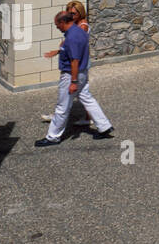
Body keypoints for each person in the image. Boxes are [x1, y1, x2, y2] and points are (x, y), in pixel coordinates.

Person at [35, 11, 114, 147]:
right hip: (82, 72)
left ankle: (53, 137)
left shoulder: (71, 37)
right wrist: (59, 51)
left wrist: (73, 82)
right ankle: (104, 126)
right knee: (87, 98)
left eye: (57, 25)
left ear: (63, 22)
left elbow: (74, 60)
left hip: (71, 75)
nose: (57, 27)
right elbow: (74, 50)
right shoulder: (79, 31)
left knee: (62, 106)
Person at [41, 1, 91, 124]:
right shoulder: (74, 25)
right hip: (78, 60)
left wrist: (60, 50)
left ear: (80, 13)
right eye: (69, 13)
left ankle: (60, 117)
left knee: (77, 92)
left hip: (78, 62)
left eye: (74, 13)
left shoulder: (82, 26)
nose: (72, 16)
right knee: (83, 93)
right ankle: (92, 119)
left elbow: (75, 47)